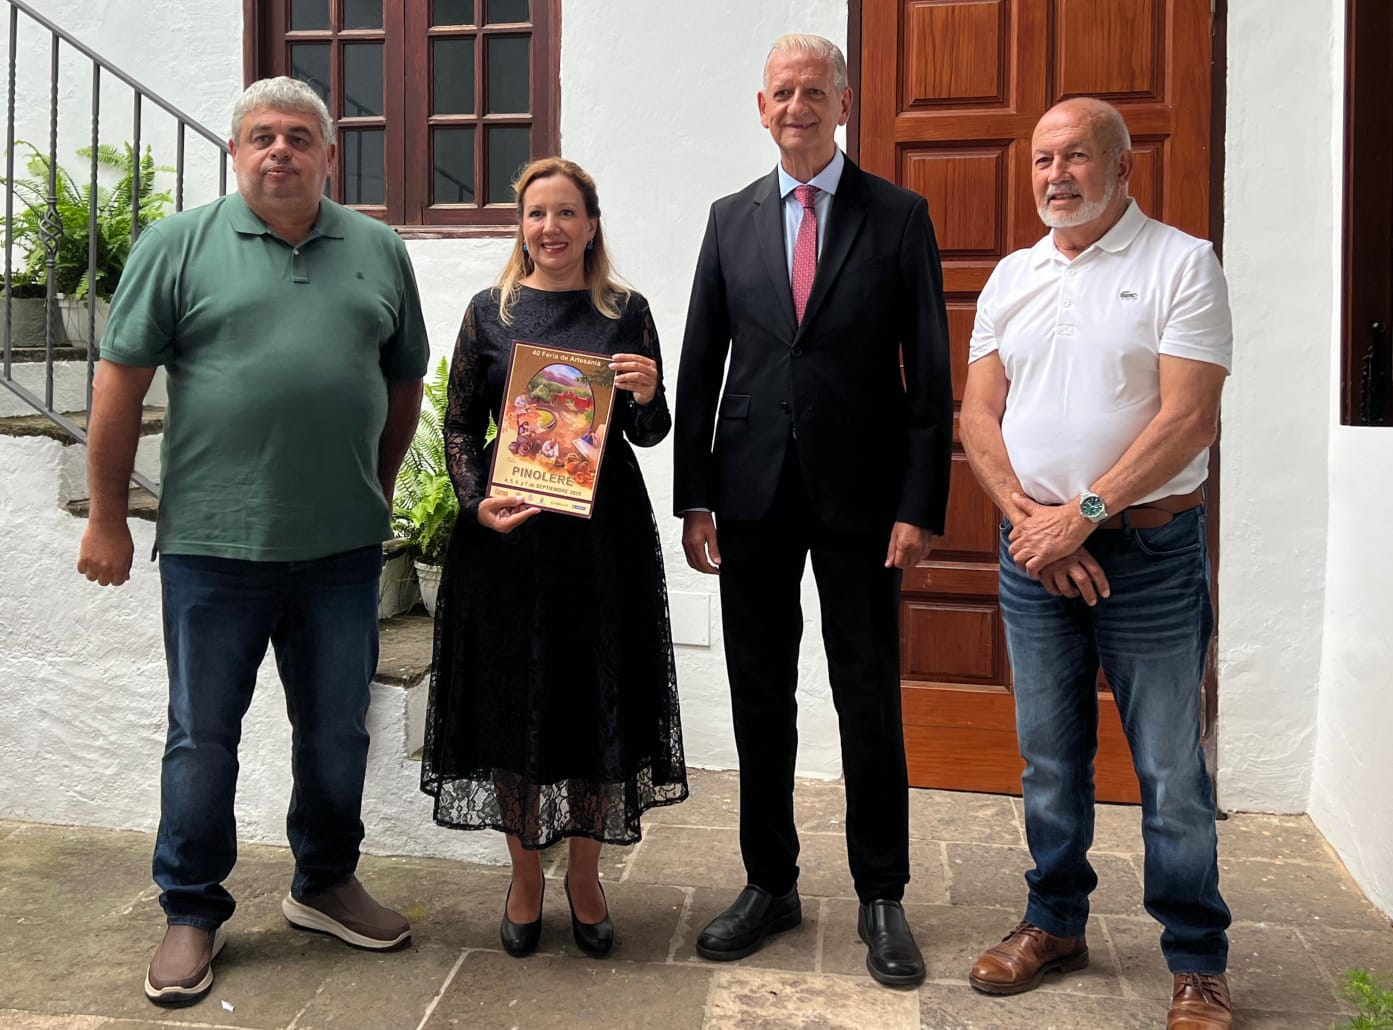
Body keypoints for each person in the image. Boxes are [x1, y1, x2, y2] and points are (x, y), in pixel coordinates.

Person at [75, 76, 427, 1005]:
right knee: (202, 737)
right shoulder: (178, 245)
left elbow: (402, 388)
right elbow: (118, 381)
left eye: (300, 136)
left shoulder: (380, 250)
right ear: (237, 153)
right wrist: (107, 514)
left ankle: (324, 881)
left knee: (336, 732)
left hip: (342, 552)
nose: (281, 150)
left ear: (327, 154)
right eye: (262, 136)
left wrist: (375, 492)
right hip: (212, 549)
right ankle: (190, 910)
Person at [673, 34, 953, 988]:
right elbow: (702, 360)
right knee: (761, 696)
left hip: (863, 500)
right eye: (780, 93)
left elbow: (928, 378)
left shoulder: (899, 215)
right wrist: (695, 496)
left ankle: (882, 892)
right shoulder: (730, 218)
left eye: (813, 91)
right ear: (762, 108)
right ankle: (769, 883)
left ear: (843, 104)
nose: (795, 106)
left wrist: (919, 504)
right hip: (748, 497)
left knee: (866, 695)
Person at [959, 97, 1233, 1028]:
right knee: (1047, 758)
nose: (1055, 176)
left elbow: (1188, 419)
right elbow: (976, 419)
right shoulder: (1010, 276)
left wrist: (1079, 516)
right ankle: (1053, 923)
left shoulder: (1180, 264)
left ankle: (1195, 959)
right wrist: (1032, 527)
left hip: (1148, 552)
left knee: (1167, 767)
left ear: (1123, 169)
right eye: (1042, 160)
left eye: (1076, 156)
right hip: (1032, 550)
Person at [420, 157, 688, 959]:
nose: (551, 228)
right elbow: (462, 424)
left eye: (566, 213)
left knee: (591, 697)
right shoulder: (489, 312)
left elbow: (649, 435)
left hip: (602, 545)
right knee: (513, 702)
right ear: (522, 225)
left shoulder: (624, 312)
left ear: (591, 223)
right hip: (509, 541)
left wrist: (645, 395)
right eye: (537, 214)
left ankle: (584, 877)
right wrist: (474, 503)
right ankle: (524, 877)